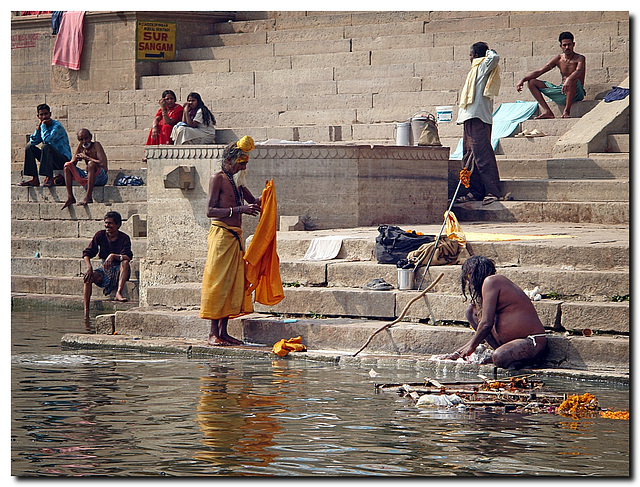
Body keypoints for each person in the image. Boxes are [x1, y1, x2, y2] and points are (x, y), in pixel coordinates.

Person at [199, 136, 262, 347]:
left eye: (245, 163)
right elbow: (210, 211)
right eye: (241, 163)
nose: (243, 166)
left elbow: (254, 203)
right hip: (221, 236)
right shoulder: (218, 178)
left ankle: (223, 333)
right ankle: (211, 334)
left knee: (231, 283)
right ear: (230, 160)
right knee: (217, 282)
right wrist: (239, 209)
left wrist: (268, 195)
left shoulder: (238, 181)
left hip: (235, 237)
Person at [443, 256, 548, 369]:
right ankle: (500, 353)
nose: (470, 283)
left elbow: (486, 324)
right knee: (471, 311)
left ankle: (518, 360)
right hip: (508, 344)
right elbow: (482, 322)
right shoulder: (486, 288)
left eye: (469, 277)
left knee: (499, 357)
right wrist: (459, 352)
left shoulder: (492, 281)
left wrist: (471, 347)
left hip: (532, 342)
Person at [455, 42, 503, 206]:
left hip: (479, 118)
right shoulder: (474, 70)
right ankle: (474, 191)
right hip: (468, 117)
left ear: (475, 55)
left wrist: (487, 51)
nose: (469, 58)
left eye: (470, 54)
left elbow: (494, 57)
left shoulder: (482, 67)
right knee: (469, 156)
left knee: (482, 156)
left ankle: (493, 191)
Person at [516, 32, 586, 119]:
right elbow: (540, 71)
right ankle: (547, 111)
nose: (567, 47)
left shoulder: (580, 58)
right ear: (561, 46)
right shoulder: (559, 59)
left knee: (572, 79)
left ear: (573, 44)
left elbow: (579, 71)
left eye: (569, 45)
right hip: (562, 90)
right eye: (564, 45)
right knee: (532, 82)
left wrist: (569, 79)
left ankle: (567, 111)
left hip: (577, 92)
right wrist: (523, 80)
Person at [82, 211, 133, 323]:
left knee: (125, 262)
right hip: (105, 269)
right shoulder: (100, 235)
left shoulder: (124, 238)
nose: (107, 226)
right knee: (88, 278)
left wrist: (114, 256)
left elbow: (128, 256)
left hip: (120, 269)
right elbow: (87, 253)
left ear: (117, 225)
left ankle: (118, 293)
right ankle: (86, 311)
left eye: (110, 223)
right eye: (106, 223)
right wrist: (89, 267)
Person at [18, 103, 72, 187]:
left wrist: (43, 126)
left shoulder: (57, 126)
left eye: (46, 114)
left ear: (50, 114)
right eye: (41, 115)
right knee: (29, 147)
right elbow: (33, 142)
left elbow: (47, 140)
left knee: (46, 146)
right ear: (38, 116)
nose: (44, 117)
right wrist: (38, 128)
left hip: (62, 160)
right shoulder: (43, 126)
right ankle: (35, 179)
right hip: (49, 160)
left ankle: (49, 177)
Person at [61, 128, 109, 209]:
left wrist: (87, 158)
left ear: (90, 137)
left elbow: (103, 164)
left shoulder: (96, 145)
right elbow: (72, 162)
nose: (84, 141)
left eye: (86, 138)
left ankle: (88, 197)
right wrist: (76, 158)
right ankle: (70, 197)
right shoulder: (81, 146)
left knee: (91, 164)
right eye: (81, 139)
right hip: (88, 176)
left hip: (101, 176)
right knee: (67, 166)